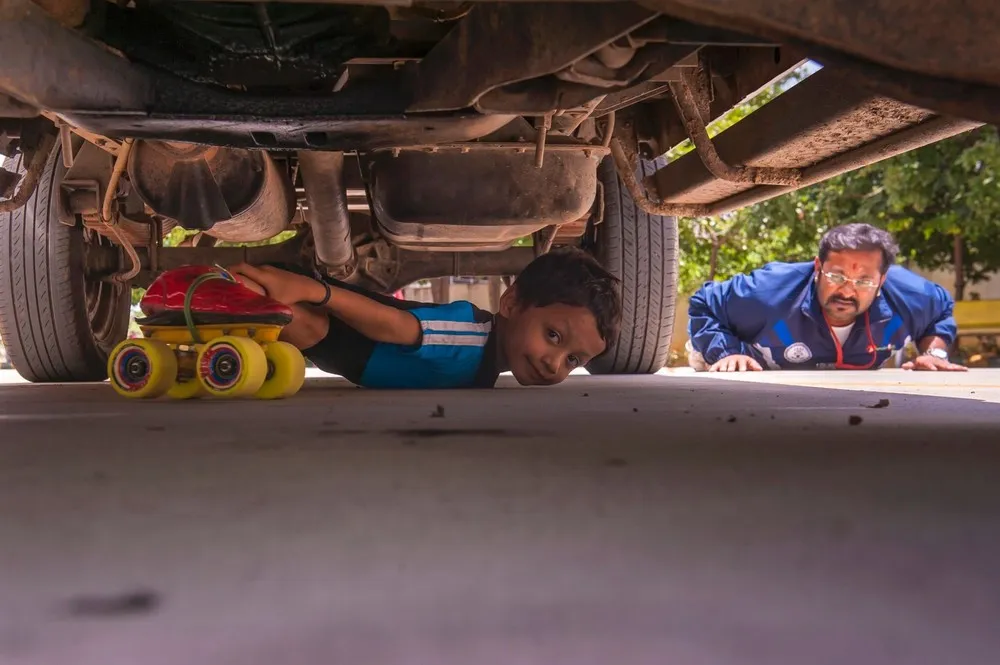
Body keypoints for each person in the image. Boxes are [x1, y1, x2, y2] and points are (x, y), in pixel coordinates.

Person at [229, 247, 621, 388]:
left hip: (356, 357)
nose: (555, 364)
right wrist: (316, 291)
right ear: (513, 304)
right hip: (351, 340)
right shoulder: (471, 336)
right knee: (275, 308)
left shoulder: (487, 361)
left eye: (573, 360)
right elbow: (394, 325)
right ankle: (201, 293)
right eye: (553, 336)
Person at [687, 223, 967, 372]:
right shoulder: (768, 291)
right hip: (752, 363)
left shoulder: (910, 295)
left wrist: (935, 353)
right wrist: (724, 352)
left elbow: (940, 312)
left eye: (864, 281)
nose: (847, 291)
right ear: (818, 268)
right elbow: (704, 302)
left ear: (882, 280)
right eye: (836, 276)